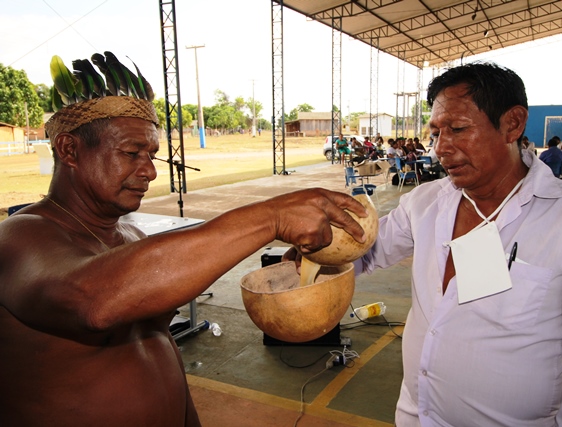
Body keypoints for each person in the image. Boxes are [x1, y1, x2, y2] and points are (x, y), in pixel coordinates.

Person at [0, 53, 368, 427]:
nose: (148, 171)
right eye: (131, 153)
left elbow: (161, 348)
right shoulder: (19, 238)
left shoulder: (130, 237)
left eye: (151, 155)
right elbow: (91, 302)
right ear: (69, 150)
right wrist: (270, 217)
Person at [354, 62, 562, 425]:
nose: (442, 148)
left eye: (457, 129)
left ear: (513, 123)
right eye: (436, 132)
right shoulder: (424, 203)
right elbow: (363, 253)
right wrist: (318, 245)